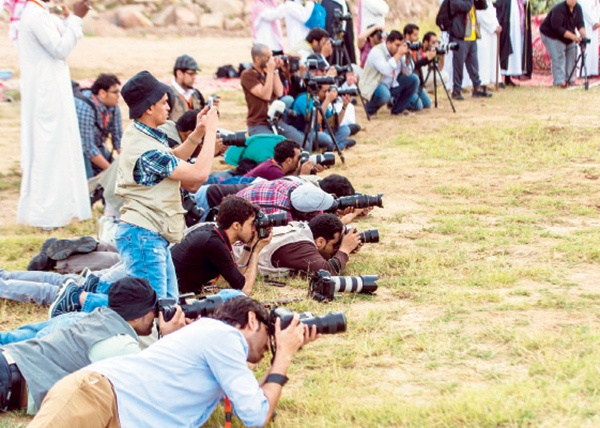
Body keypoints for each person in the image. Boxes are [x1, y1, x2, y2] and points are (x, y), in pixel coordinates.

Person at [30, 296, 318, 427]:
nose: (269, 347)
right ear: (252, 320)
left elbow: (253, 404)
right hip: (98, 395)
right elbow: (257, 417)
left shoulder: (214, 345)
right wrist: (283, 355)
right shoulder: (223, 336)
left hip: (117, 411)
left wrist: (282, 356)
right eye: (270, 336)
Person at [0, 277, 185, 414]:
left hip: (9, 364)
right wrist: (172, 340)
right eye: (154, 310)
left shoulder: (100, 317)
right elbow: (156, 392)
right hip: (7, 379)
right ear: (138, 314)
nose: (156, 317)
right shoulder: (119, 345)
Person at [112, 71, 218, 302]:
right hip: (143, 234)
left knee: (169, 303)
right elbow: (198, 175)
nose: (169, 106)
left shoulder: (141, 133)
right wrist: (211, 133)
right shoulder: (146, 149)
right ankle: (80, 298)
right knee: (154, 307)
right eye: (163, 102)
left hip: (150, 232)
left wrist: (198, 133)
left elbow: (172, 158)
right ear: (149, 107)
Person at [16, 0, 92, 229]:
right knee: (49, 150)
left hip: (52, 93)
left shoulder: (42, 13)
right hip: (46, 96)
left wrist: (70, 19)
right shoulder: (35, 15)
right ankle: (47, 214)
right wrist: (77, 18)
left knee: (59, 149)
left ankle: (62, 209)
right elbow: (60, 49)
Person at [171, 196, 271, 295]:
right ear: (236, 225)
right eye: (251, 224)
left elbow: (238, 275)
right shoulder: (214, 243)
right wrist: (256, 252)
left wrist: (250, 246)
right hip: (172, 292)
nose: (254, 229)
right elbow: (245, 289)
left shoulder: (214, 232)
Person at [250, 213, 361, 278]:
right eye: (335, 245)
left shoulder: (301, 229)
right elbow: (328, 272)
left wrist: (343, 249)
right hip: (240, 264)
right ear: (320, 242)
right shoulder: (302, 246)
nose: (336, 249)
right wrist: (344, 250)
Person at [241, 43, 305, 143]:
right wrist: (270, 71)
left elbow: (279, 92)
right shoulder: (248, 75)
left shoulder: (269, 72)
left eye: (271, 56)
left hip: (276, 120)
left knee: (302, 143)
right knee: (274, 146)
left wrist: (274, 71)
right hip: (258, 123)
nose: (271, 60)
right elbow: (265, 95)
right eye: (268, 57)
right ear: (257, 59)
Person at [291, 55, 355, 150]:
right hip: (305, 134)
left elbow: (333, 124)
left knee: (345, 130)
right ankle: (336, 145)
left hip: (321, 132)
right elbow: (314, 120)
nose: (326, 94)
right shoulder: (304, 98)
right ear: (317, 90)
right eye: (325, 92)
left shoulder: (321, 101)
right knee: (324, 137)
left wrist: (344, 106)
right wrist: (327, 100)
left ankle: (332, 145)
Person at [358, 30, 420, 116]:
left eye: (400, 45)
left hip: (392, 84)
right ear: (389, 43)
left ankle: (398, 110)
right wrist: (398, 54)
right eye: (397, 45)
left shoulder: (398, 52)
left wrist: (407, 58)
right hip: (375, 85)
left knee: (414, 79)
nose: (399, 48)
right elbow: (386, 70)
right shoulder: (377, 51)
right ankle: (370, 109)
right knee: (384, 94)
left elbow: (408, 72)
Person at [75, 73, 123, 180]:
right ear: (102, 93)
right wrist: (111, 171)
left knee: (120, 177)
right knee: (88, 181)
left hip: (97, 146)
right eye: (115, 92)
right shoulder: (85, 107)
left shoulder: (114, 107)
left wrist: (127, 165)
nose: (119, 95)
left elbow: (118, 140)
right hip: (78, 149)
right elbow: (88, 148)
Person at [448, 0, 493, 99]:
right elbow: (466, 6)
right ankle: (456, 90)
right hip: (460, 36)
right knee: (458, 65)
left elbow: (483, 6)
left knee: (474, 65)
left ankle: (477, 88)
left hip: (471, 36)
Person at [236, 179, 336, 223]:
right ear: (307, 214)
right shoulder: (283, 216)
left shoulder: (299, 188)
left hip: (246, 194)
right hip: (238, 211)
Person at [540, 0, 588, 86]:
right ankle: (559, 81)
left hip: (567, 35)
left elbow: (580, 24)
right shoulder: (559, 9)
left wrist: (583, 36)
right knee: (559, 56)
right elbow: (557, 28)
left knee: (572, 53)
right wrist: (574, 37)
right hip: (552, 35)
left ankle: (570, 79)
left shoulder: (578, 8)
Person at [496, 0, 533, 85]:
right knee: (505, 48)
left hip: (517, 27)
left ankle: (508, 78)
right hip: (507, 23)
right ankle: (500, 78)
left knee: (515, 49)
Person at [404, 24, 436, 110]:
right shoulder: (403, 47)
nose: (417, 38)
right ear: (407, 35)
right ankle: (395, 100)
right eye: (415, 35)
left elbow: (419, 63)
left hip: (417, 83)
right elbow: (412, 66)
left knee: (427, 104)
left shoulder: (415, 47)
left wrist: (430, 58)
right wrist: (427, 59)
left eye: (417, 35)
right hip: (408, 81)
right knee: (418, 106)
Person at [244, 139, 312, 180]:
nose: (299, 160)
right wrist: (303, 175)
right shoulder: (274, 172)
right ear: (289, 160)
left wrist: (312, 170)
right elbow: (293, 190)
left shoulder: (273, 163)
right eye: (298, 157)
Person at [167, 54, 206, 122]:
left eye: (195, 74)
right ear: (179, 74)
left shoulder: (196, 94)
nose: (194, 77)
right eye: (191, 74)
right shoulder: (168, 95)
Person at [474, 0, 502, 88]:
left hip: (492, 33)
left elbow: (492, 13)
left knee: (492, 57)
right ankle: (482, 82)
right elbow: (480, 15)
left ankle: (492, 79)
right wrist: (493, 27)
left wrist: (497, 26)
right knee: (484, 58)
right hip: (483, 32)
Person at [322, 0, 357, 65]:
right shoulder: (327, 3)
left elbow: (349, 33)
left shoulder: (344, 4)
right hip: (331, 43)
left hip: (343, 41)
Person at [580, 0, 600, 76]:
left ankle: (593, 71)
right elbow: (584, 10)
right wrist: (593, 22)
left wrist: (597, 22)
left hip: (594, 27)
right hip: (586, 25)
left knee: (593, 48)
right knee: (586, 48)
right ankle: (584, 72)